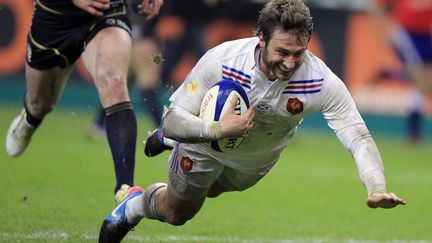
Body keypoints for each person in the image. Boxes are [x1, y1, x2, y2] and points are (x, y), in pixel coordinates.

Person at [98, 0, 406, 242]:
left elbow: (358, 136)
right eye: (282, 52)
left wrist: (376, 186)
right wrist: (216, 129)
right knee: (177, 213)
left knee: (212, 190)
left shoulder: (319, 81)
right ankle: (134, 204)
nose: (289, 63)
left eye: (298, 54)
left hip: (254, 161)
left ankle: (171, 142)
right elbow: (175, 118)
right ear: (260, 38)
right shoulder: (223, 60)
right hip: (206, 144)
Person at [5, 0, 163, 203]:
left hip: (106, 11)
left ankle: (125, 189)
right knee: (41, 104)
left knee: (113, 81)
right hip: (56, 16)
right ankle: (30, 118)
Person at [370, 0, 432, 143]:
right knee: (420, 80)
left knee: (426, 84)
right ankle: (413, 131)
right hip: (406, 33)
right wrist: (381, 33)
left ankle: (389, 74)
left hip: (425, 35)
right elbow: (377, 6)